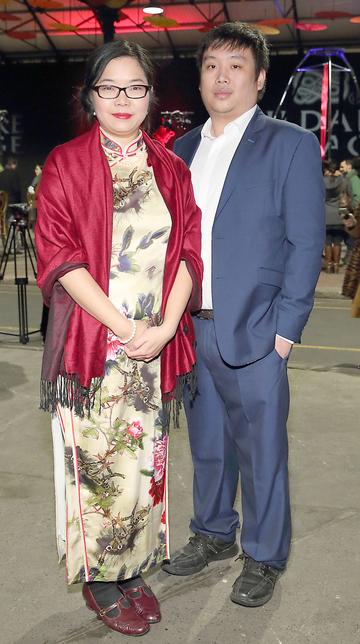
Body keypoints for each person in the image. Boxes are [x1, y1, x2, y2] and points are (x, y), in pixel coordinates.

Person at [35, 40, 202, 637]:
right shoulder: (66, 163)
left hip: (154, 345)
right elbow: (60, 256)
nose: (123, 98)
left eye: (136, 87)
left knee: (143, 463)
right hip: (95, 344)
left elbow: (187, 252)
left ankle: (132, 570)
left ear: (151, 96)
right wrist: (128, 327)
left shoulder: (171, 169)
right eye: (111, 88)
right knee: (96, 464)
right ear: (91, 97)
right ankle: (100, 579)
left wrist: (161, 329)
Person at [162, 22, 325, 608]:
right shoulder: (178, 151)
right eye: (211, 66)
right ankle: (211, 533)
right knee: (206, 444)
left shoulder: (290, 144)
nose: (222, 76)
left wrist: (286, 331)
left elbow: (307, 244)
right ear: (201, 78)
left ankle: (263, 553)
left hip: (257, 332)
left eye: (236, 66)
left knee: (261, 452)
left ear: (259, 80)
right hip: (190, 328)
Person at [323, 160, 347, 273]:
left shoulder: (322, 181)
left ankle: (328, 265)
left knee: (327, 242)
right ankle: (336, 266)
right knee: (337, 241)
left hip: (326, 215)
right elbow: (347, 192)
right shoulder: (342, 181)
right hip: (338, 214)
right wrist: (341, 176)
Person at [27, 163, 42, 227]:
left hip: (37, 202)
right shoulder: (47, 178)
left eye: (37, 169)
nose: (35, 171)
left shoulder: (38, 177)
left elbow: (31, 188)